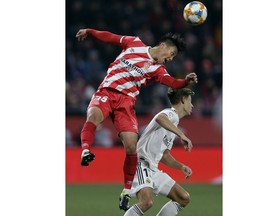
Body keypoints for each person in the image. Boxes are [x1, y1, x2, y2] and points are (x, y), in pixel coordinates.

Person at [75, 28, 198, 203]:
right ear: (162, 45)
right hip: (108, 91)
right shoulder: (134, 43)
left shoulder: (158, 69)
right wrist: (90, 31)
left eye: (174, 57)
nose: (171, 58)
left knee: (132, 146)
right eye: (171, 53)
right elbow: (110, 37)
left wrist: (185, 81)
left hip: (126, 103)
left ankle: (126, 190)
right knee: (94, 116)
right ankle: (86, 149)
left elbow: (172, 82)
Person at [122, 87, 194, 215]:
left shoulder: (172, 125)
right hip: (141, 163)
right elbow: (160, 118)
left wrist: (181, 166)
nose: (192, 105)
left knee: (183, 198)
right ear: (183, 100)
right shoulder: (170, 114)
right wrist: (181, 135)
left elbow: (164, 155)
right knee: (146, 202)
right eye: (190, 100)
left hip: (153, 169)